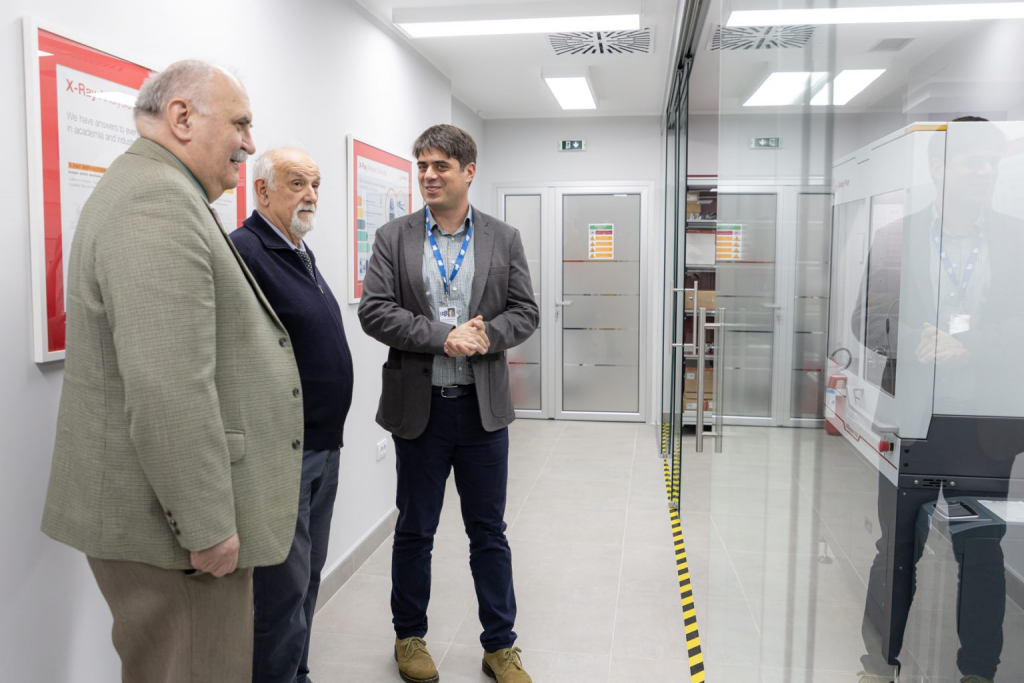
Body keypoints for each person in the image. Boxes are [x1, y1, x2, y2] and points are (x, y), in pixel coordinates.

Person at [40, 61, 305, 683]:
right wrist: (207, 526)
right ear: (182, 117)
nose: (249, 143)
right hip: (175, 538)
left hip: (166, 524)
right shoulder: (155, 200)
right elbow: (168, 386)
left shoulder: (160, 189)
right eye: (240, 124)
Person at [358, 124, 539, 683]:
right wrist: (444, 336)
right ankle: (409, 636)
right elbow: (375, 311)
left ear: (469, 171)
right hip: (421, 410)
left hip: (482, 412)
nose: (429, 176)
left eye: (440, 166)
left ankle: (500, 646)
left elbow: (525, 312)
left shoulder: (503, 238)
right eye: (422, 166)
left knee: (488, 532)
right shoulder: (394, 237)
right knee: (415, 530)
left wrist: (486, 335)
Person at [231, 147, 354, 683]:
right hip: (283, 453)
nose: (311, 195)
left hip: (323, 445)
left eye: (316, 184)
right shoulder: (246, 252)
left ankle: (297, 673)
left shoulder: (298, 249)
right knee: (281, 591)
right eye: (297, 183)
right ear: (262, 190)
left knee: (307, 577)